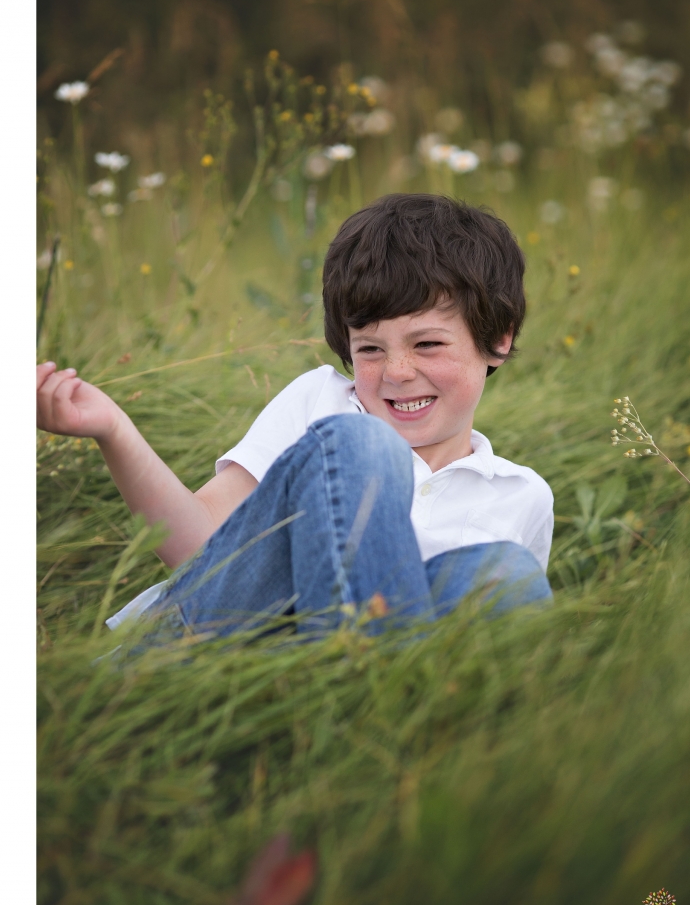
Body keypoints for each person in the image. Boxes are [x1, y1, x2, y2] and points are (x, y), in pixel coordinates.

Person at [36, 193, 553, 642]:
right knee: (362, 444)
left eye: (428, 344)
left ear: (498, 338)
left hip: (307, 675)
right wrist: (114, 430)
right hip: (212, 641)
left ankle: (369, 701)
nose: (396, 371)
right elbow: (197, 551)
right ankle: (369, 685)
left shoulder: (520, 497)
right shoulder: (323, 405)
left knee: (504, 574)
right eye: (370, 349)